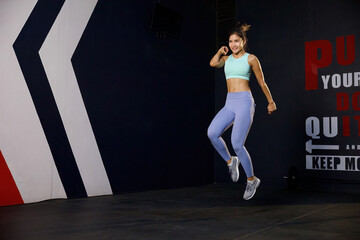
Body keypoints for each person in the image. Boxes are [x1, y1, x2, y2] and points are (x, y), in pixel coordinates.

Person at [208, 23, 277, 200]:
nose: (233, 45)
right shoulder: (227, 59)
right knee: (212, 133)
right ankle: (231, 162)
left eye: (236, 41)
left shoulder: (251, 59)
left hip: (245, 102)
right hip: (229, 103)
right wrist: (220, 51)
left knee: (237, 144)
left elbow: (262, 83)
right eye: (231, 42)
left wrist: (270, 101)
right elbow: (213, 63)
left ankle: (251, 179)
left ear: (243, 41)